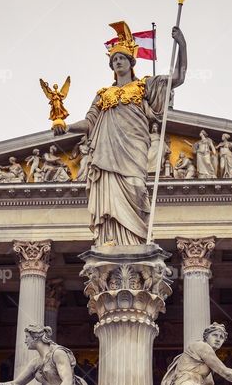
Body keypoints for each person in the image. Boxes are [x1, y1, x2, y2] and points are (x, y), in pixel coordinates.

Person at [53, 21, 187, 246]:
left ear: (131, 62)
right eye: (114, 59)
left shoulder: (144, 86)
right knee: (109, 195)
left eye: (122, 58)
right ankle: (111, 240)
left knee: (136, 188)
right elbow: (89, 122)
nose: (117, 62)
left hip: (134, 149)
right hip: (107, 153)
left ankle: (136, 242)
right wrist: (65, 127)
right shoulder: (104, 94)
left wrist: (181, 45)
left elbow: (177, 78)